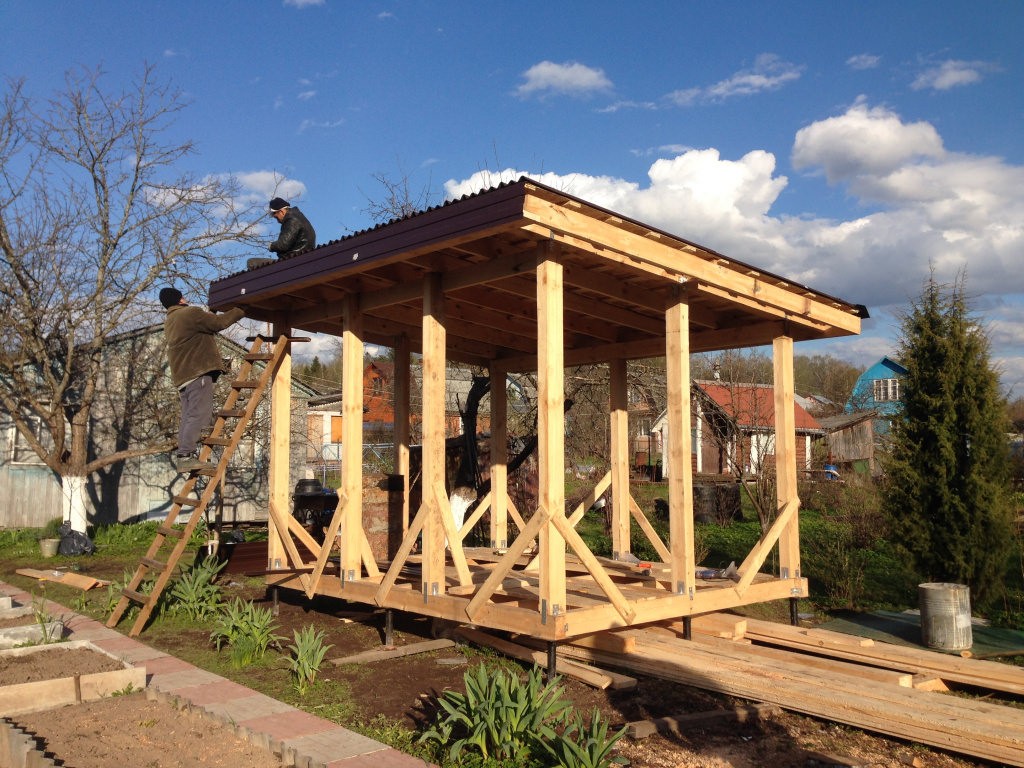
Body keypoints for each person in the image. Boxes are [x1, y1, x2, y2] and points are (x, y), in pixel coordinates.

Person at [160, 287, 245, 472]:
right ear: (180, 300)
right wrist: (241, 309)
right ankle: (186, 456)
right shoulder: (190, 313)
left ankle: (184, 456)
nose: (185, 298)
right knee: (199, 414)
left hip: (183, 376)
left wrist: (209, 314)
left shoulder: (171, 320)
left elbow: (203, 326)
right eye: (183, 296)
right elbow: (219, 323)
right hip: (197, 372)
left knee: (188, 416)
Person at [246, 197, 316, 269]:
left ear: (281, 211)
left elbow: (283, 244)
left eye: (276, 217)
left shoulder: (291, 220)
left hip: (293, 261)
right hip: (302, 258)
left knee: (251, 262)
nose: (278, 221)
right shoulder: (299, 217)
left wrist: (271, 246)